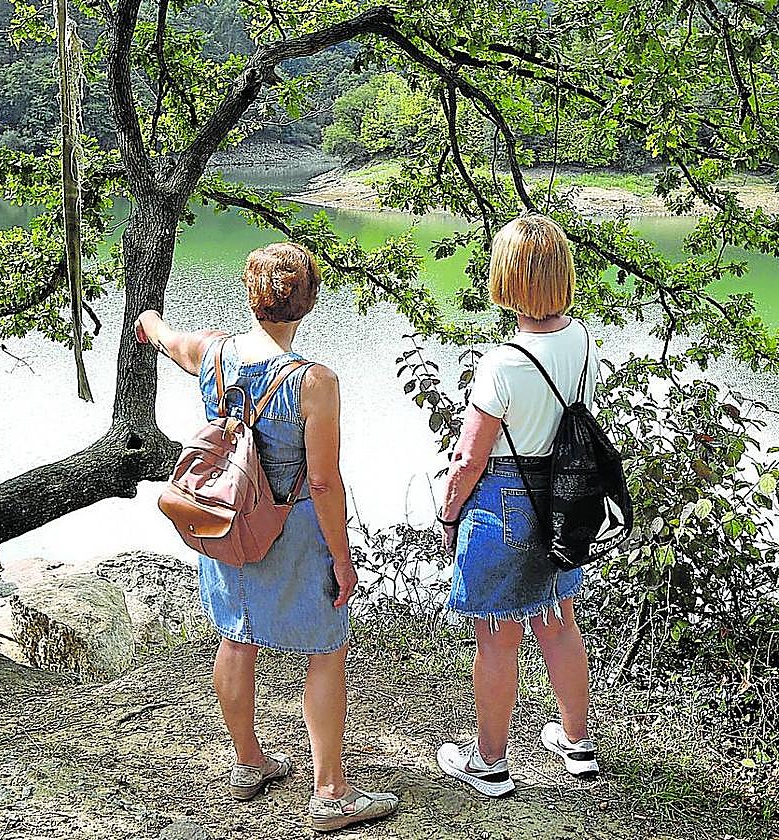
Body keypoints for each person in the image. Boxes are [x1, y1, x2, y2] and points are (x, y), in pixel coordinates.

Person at [135, 242, 398, 832]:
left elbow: (168, 340)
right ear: (309, 304)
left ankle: (249, 763)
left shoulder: (215, 356)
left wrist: (149, 319)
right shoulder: (316, 382)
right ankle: (329, 791)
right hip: (296, 528)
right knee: (326, 649)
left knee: (236, 638)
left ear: (250, 296)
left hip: (226, 521)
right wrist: (343, 558)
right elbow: (325, 482)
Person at [435, 214, 602, 798]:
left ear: (506, 280)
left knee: (497, 637)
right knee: (558, 623)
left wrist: (449, 513)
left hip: (505, 502)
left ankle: (490, 763)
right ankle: (578, 747)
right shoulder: (582, 341)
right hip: (562, 493)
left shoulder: (501, 363)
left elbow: (468, 459)